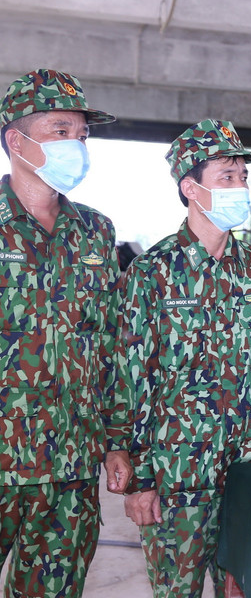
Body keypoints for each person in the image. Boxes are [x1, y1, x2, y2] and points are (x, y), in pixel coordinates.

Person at [120, 119, 251, 596]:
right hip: (179, 474)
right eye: (227, 176)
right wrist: (140, 480)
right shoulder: (153, 272)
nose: (240, 186)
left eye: (244, 177)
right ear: (190, 187)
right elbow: (132, 380)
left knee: (248, 588)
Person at [0, 68, 132, 596]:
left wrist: (117, 442)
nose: (76, 145)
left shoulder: (96, 232)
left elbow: (110, 344)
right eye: (61, 131)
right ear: (17, 140)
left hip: (69, 467)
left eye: (82, 135)